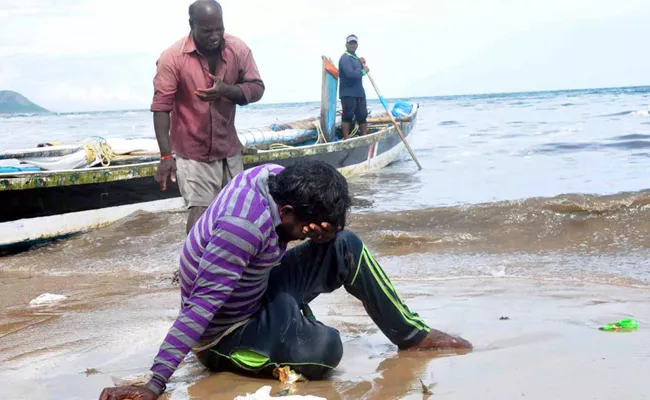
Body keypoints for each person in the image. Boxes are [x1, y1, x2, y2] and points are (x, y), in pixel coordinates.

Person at [98, 160, 472, 400]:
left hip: (259, 286)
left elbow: (314, 231)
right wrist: (154, 383)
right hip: (226, 330)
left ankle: (411, 334)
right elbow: (200, 309)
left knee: (346, 245)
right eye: (307, 226)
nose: (310, 232)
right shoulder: (240, 229)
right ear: (287, 210)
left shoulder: (275, 177)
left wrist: (322, 236)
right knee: (326, 350)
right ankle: (289, 321)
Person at [151, 0, 265, 234]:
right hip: (193, 152)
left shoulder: (238, 49)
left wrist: (227, 91)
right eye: (207, 30)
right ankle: (192, 268)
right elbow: (161, 107)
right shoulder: (172, 57)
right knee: (200, 214)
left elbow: (256, 88)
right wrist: (165, 156)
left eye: (219, 29)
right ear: (192, 25)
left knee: (238, 214)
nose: (215, 36)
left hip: (229, 148)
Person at [338, 34, 369, 140]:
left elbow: (357, 70)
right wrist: (364, 71)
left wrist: (361, 63)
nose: (352, 45)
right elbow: (350, 74)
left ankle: (365, 137)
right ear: (346, 44)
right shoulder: (344, 58)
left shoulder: (355, 58)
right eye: (350, 43)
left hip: (359, 92)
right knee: (348, 116)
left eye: (354, 43)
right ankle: (346, 138)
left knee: (362, 115)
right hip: (348, 93)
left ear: (357, 45)